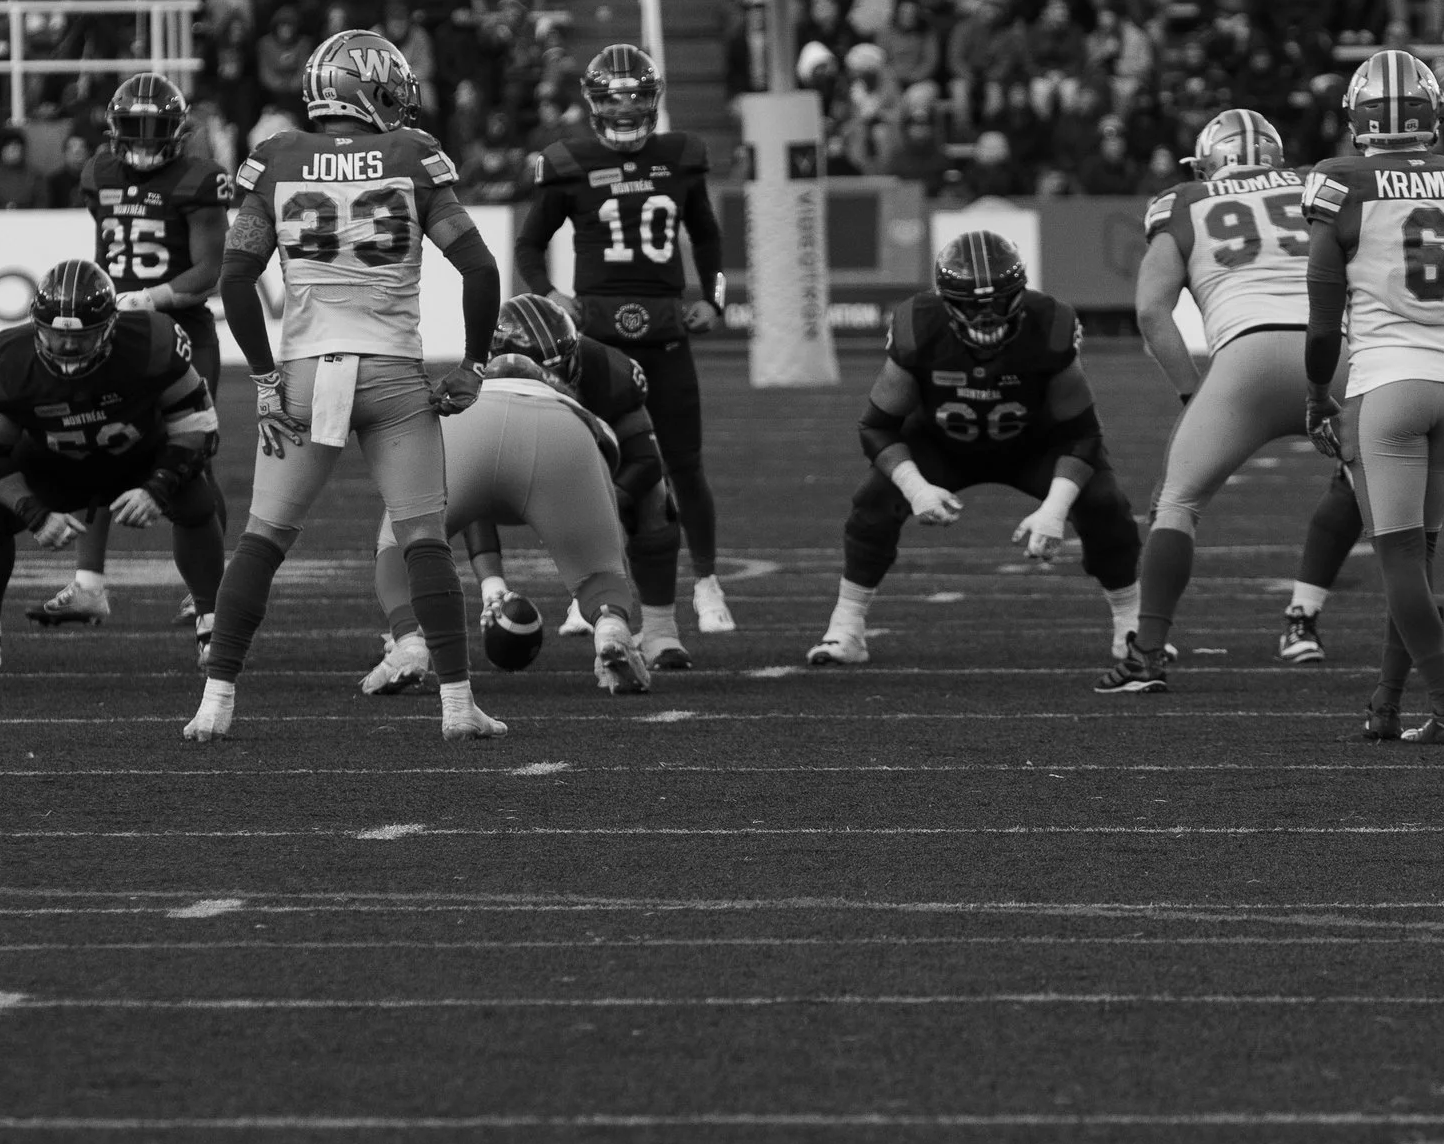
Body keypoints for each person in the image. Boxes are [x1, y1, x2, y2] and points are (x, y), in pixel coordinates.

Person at [188, 30, 505, 744]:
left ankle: (216, 702)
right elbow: (481, 271)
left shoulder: (273, 157)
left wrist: (266, 381)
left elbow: (235, 279)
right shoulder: (413, 155)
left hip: (306, 375)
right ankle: (457, 707)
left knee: (263, 541)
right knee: (424, 542)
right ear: (364, 88)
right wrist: (474, 367)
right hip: (393, 373)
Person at [1297, 52, 1444, 745]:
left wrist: (1314, 396)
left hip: (1388, 385)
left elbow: (1323, 313)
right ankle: (1386, 704)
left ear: (1357, 116)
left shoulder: (1339, 181)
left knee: (1398, 562)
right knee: (1415, 562)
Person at [806, 231, 1143, 671]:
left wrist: (1056, 507)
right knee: (873, 501)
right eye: (970, 303)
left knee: (1103, 502)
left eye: (998, 300)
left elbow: (1082, 433)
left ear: (1020, 295)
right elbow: (877, 426)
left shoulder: (1050, 322)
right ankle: (846, 627)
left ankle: (1131, 628)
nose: (985, 314)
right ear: (945, 301)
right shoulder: (918, 323)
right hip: (942, 446)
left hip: (1033, 446)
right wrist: (915, 486)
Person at [1107, 110, 1350, 687]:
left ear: (1210, 160)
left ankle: (1149, 654)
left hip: (1245, 361)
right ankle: (1404, 651)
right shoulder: (1320, 184)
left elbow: (1150, 310)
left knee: (1177, 503)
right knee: (1387, 499)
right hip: (1338, 356)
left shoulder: (1185, 200)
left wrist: (1193, 392)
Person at [513, 43, 731, 662]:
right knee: (595, 469)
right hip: (598, 343)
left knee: (682, 463)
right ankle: (594, 592)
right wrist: (552, 295)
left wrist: (714, 301)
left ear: (654, 99)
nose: (628, 108)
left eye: (638, 96)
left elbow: (708, 237)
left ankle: (708, 584)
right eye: (615, 97)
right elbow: (530, 246)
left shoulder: (680, 157)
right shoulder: (568, 161)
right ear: (594, 102)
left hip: (665, 332)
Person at [362, 295, 664, 699]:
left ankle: (408, 642)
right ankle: (611, 626)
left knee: (398, 546)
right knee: (600, 572)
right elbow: (631, 456)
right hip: (564, 430)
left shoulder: (466, 377)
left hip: (467, 424)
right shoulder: (598, 375)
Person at [0, 260, 226, 672]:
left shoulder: (150, 343)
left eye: (81, 336)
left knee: (196, 499)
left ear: (110, 327)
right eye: (55, 335)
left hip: (137, 459)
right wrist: (34, 514)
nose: (67, 347)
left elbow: (199, 426)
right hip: (58, 465)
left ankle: (214, 629)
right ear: (36, 325)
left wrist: (157, 487)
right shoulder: (6, 361)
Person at [31, 73, 233, 629]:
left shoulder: (200, 179)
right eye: (134, 129)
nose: (144, 142)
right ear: (115, 131)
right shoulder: (97, 171)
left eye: (156, 129)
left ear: (177, 131)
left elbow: (209, 272)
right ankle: (89, 584)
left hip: (178, 325)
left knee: (190, 456)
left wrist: (150, 296)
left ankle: (209, 589)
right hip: (112, 329)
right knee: (92, 442)